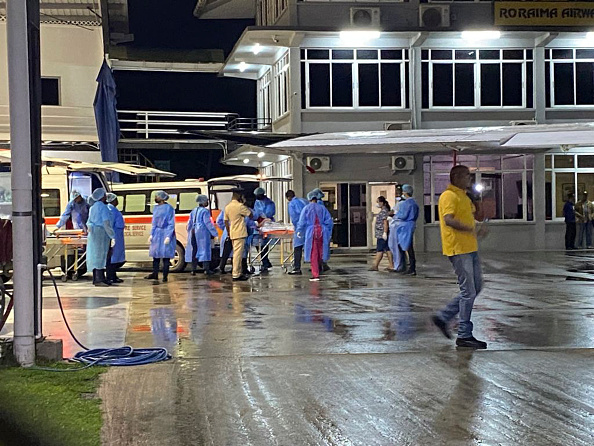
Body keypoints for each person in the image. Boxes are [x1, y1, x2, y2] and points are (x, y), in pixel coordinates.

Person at [432, 165, 488, 349]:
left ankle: (444, 317)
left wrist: (478, 203)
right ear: (455, 177)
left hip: (470, 247)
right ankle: (464, 334)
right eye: (467, 176)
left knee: (476, 286)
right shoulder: (448, 196)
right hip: (458, 248)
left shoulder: (463, 196)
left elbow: (474, 216)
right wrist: (471, 229)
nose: (470, 179)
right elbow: (449, 219)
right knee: (468, 291)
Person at [296, 190, 334, 282]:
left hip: (311, 232)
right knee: (321, 251)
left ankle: (315, 274)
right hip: (322, 232)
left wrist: (299, 231)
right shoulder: (322, 208)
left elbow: (301, 222)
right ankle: (320, 268)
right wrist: (328, 233)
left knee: (313, 252)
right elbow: (329, 221)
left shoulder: (306, 208)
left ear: (309, 199)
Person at [86, 188, 115, 287]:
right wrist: (112, 235)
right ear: (102, 196)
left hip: (93, 234)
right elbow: (106, 222)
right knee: (101, 255)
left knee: (94, 255)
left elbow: (89, 221)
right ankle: (99, 279)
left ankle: (98, 278)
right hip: (101, 233)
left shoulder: (92, 207)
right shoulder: (103, 207)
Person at [145, 191, 176, 283]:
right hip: (157, 233)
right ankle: (155, 274)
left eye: (157, 196)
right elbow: (154, 223)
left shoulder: (169, 208)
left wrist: (168, 236)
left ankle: (165, 276)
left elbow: (171, 223)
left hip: (165, 232)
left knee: (165, 256)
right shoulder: (155, 208)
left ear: (162, 198)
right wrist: (152, 234)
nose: (155, 198)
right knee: (156, 256)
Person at [185, 194, 219, 275]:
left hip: (193, 232)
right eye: (206, 201)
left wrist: (189, 230)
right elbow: (208, 223)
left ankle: (193, 269)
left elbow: (189, 223)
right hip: (202, 232)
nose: (207, 202)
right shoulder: (205, 211)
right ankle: (206, 269)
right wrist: (215, 233)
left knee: (195, 250)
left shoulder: (194, 210)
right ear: (203, 202)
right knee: (205, 249)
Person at [224, 189, 253, 281]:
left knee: (236, 253)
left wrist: (228, 232)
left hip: (232, 232)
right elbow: (250, 214)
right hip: (240, 233)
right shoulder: (240, 206)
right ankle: (236, 274)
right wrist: (244, 203)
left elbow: (225, 221)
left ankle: (238, 272)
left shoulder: (227, 207)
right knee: (238, 254)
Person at [395, 184, 419, 276]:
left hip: (405, 226)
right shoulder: (414, 203)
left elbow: (403, 215)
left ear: (405, 192)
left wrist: (396, 215)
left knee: (404, 245)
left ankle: (407, 266)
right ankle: (411, 267)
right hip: (411, 224)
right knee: (409, 246)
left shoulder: (406, 203)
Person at [286, 190, 308, 275]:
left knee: (297, 248)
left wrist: (297, 227)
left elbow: (295, 218)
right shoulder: (303, 201)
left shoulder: (292, 204)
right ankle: (319, 266)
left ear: (288, 198)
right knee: (313, 247)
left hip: (300, 228)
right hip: (309, 227)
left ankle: (297, 268)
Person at [253, 187, 276, 271]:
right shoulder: (257, 202)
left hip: (266, 224)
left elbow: (269, 214)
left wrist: (263, 217)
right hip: (258, 223)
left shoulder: (269, 203)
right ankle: (264, 260)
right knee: (257, 243)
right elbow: (255, 213)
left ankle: (265, 261)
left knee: (264, 244)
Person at [106, 193, 126, 283]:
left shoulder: (113, 209)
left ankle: (113, 275)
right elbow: (110, 224)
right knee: (112, 258)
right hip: (114, 235)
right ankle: (111, 276)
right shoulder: (110, 210)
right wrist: (112, 237)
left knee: (115, 257)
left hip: (117, 235)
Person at [369, 196, 393, 271]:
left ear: (382, 203)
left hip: (381, 233)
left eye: (378, 202)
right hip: (381, 233)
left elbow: (385, 223)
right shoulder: (384, 211)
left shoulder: (383, 212)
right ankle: (391, 265)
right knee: (387, 249)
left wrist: (385, 233)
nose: (377, 204)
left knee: (380, 249)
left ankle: (375, 265)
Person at [388, 185, 405, 272]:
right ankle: (398, 265)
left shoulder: (403, 203)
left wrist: (392, 214)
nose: (397, 195)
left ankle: (399, 266)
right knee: (393, 246)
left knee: (398, 247)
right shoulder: (399, 203)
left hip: (400, 227)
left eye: (399, 193)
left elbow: (393, 213)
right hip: (396, 227)